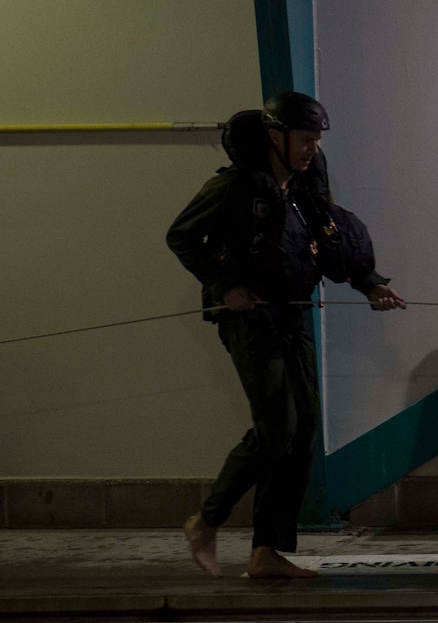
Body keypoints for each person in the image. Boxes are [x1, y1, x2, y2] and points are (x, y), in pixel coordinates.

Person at [166, 92, 406, 579]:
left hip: (292, 316)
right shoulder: (234, 187)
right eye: (305, 139)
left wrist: (371, 283)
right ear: (276, 136)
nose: (312, 149)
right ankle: (205, 521)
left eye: (317, 140)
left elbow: (331, 248)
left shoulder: (303, 192)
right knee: (276, 430)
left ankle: (267, 551)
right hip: (249, 319)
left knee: (302, 432)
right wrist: (225, 283)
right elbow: (182, 236)